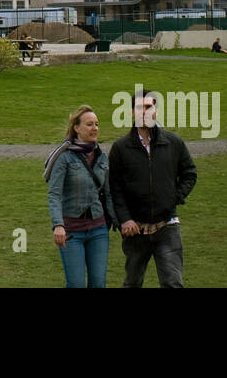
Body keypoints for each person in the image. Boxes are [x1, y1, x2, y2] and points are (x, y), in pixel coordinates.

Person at [108, 89, 197, 287]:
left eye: (149, 107)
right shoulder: (120, 148)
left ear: (155, 110)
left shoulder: (173, 142)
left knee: (173, 283)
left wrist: (174, 197)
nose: (145, 112)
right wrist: (124, 219)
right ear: (132, 112)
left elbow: (190, 173)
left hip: (167, 227)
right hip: (135, 230)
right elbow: (114, 188)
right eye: (140, 107)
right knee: (132, 283)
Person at [45, 104, 115, 287]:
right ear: (77, 128)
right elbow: (54, 194)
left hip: (98, 230)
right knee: (76, 284)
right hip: (71, 232)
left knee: (98, 283)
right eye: (89, 124)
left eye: (97, 124)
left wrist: (119, 221)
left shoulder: (102, 156)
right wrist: (58, 225)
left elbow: (108, 194)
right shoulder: (64, 156)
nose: (95, 128)